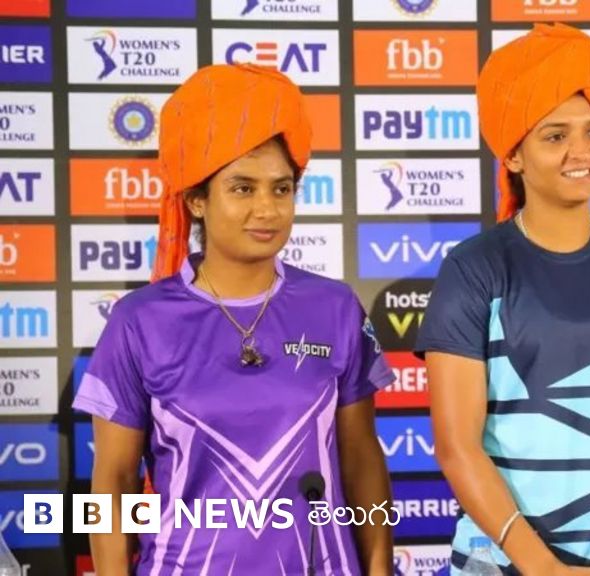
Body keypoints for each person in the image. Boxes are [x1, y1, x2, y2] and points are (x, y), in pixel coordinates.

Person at [73, 64, 396, 575]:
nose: (267, 209)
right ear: (196, 200)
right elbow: (112, 484)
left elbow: (361, 460)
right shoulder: (138, 322)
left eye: (281, 189)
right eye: (243, 189)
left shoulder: (334, 307)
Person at [415, 23, 590, 576]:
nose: (582, 152)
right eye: (554, 136)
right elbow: (456, 447)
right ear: (513, 156)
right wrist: (542, 569)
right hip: (500, 563)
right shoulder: (472, 269)